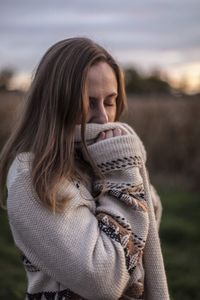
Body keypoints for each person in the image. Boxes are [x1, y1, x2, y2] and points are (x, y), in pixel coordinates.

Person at [0, 37, 169, 300]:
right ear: (56, 104)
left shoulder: (99, 156)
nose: (103, 117)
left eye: (109, 101)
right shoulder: (31, 176)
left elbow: (148, 221)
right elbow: (104, 280)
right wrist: (121, 171)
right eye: (89, 103)